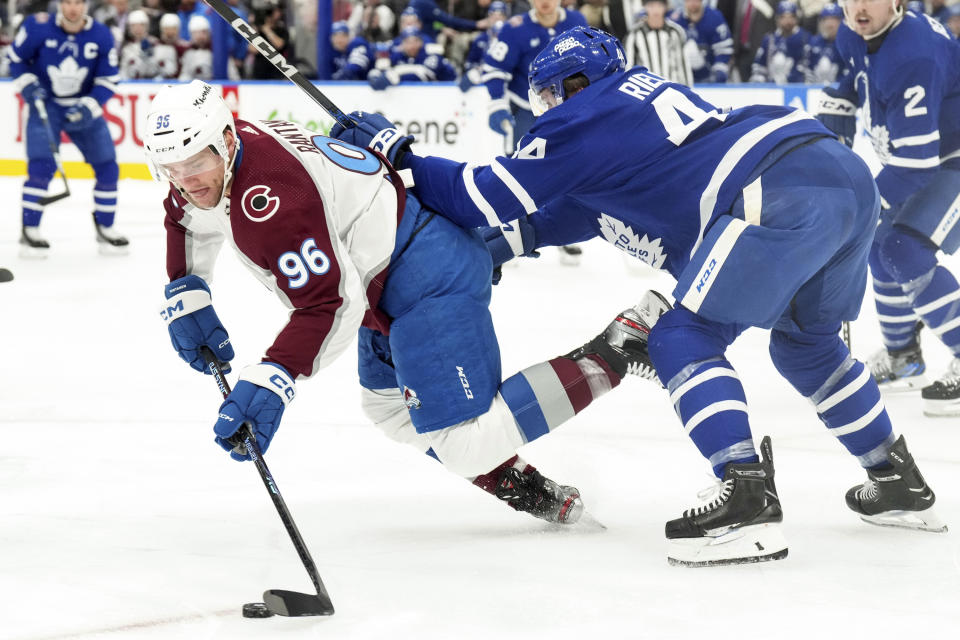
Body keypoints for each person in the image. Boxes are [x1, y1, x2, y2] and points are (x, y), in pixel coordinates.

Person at [333, 25, 947, 566]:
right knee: (807, 348)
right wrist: (488, 251)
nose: (544, 109)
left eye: (549, 94)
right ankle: (896, 478)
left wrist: (399, 151)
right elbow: (573, 211)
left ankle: (746, 493)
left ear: (576, 85)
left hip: (774, 189)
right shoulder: (633, 111)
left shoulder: (586, 114)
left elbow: (481, 194)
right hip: (837, 179)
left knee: (681, 335)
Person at [145, 80, 657, 526]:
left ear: (226, 141)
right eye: (170, 167)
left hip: (425, 274)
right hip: (390, 272)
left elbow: (331, 306)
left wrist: (275, 377)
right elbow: (183, 215)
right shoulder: (218, 159)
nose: (187, 180)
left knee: (464, 442)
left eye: (195, 162)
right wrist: (186, 288)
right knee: (390, 408)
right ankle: (529, 486)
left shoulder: (271, 200)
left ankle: (617, 348)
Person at [814, 0, 960, 416]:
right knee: (881, 243)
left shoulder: (914, 52)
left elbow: (915, 163)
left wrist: (859, 212)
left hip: (950, 158)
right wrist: (839, 101)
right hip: (933, 156)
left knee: (904, 247)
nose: (859, 6)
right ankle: (903, 358)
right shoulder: (854, 33)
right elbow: (861, 76)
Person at [8, 0, 129, 256]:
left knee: (108, 166)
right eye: (67, 2)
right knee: (41, 167)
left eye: (77, 2)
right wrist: (29, 85)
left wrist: (90, 105)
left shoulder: (101, 34)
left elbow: (109, 77)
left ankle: (105, 226)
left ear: (85, 5)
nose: (72, 8)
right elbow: (16, 59)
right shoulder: (37, 27)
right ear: (59, 4)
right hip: (47, 105)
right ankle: (30, 229)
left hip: (82, 108)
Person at [481, 0, 586, 150]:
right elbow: (495, 68)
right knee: (521, 160)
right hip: (526, 108)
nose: (545, 1)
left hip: (570, 108)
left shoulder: (577, 21)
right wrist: (497, 103)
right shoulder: (514, 27)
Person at [624, 0, 693, 86]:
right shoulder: (634, 34)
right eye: (651, 5)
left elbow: (683, 64)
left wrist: (688, 90)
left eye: (659, 5)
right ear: (645, 7)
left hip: (672, 89)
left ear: (665, 7)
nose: (656, 10)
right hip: (646, 90)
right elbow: (629, 68)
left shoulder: (676, 32)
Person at [367, 26, 457, 89]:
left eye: (415, 41)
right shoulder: (397, 55)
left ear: (421, 42)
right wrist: (375, 76)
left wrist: (396, 77)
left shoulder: (431, 55)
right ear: (402, 44)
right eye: (407, 42)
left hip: (445, 92)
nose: (412, 45)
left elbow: (426, 77)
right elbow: (381, 70)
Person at [670, 0, 733, 84]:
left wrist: (719, 71)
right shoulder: (675, 19)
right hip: (684, 78)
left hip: (710, 76)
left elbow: (724, 49)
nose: (692, 3)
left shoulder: (715, 17)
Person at [749, 1, 811, 83]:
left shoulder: (805, 39)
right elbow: (759, 66)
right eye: (783, 17)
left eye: (791, 17)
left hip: (797, 88)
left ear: (796, 19)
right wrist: (759, 82)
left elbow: (808, 68)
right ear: (777, 19)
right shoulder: (769, 39)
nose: (787, 21)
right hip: (772, 89)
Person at [805, 2, 842, 83]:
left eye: (834, 20)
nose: (830, 24)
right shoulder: (813, 42)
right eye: (826, 20)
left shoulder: (848, 45)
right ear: (821, 22)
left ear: (841, 22)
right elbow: (808, 71)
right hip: (815, 90)